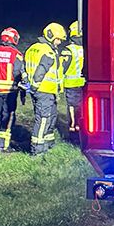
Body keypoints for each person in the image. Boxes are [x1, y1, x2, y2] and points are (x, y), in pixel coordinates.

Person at [23, 23, 67, 155]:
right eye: (57, 39)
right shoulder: (48, 52)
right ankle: (37, 149)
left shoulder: (32, 48)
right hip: (44, 90)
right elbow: (41, 70)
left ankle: (48, 143)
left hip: (40, 91)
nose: (59, 42)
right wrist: (35, 85)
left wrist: (29, 86)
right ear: (50, 35)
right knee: (43, 119)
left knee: (50, 116)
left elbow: (24, 68)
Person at [0, 27, 26, 153]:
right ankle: (3, 146)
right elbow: (18, 71)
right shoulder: (16, 54)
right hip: (10, 90)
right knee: (8, 116)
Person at [62, 20, 86, 137]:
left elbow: (62, 67)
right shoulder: (87, 48)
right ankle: (81, 128)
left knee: (72, 107)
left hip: (71, 84)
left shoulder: (69, 50)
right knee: (83, 107)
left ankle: (73, 131)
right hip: (84, 83)